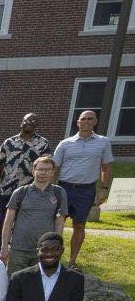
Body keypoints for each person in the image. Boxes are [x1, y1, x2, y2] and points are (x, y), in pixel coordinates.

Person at [51, 109, 113, 267]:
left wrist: (104, 189)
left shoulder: (103, 142)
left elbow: (106, 167)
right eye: (83, 119)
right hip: (64, 188)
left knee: (79, 225)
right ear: (78, 122)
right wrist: (50, 189)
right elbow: (54, 167)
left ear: (95, 121)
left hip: (86, 190)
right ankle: (52, 258)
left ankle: (72, 261)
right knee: (57, 223)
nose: (86, 121)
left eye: (90, 119)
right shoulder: (65, 143)